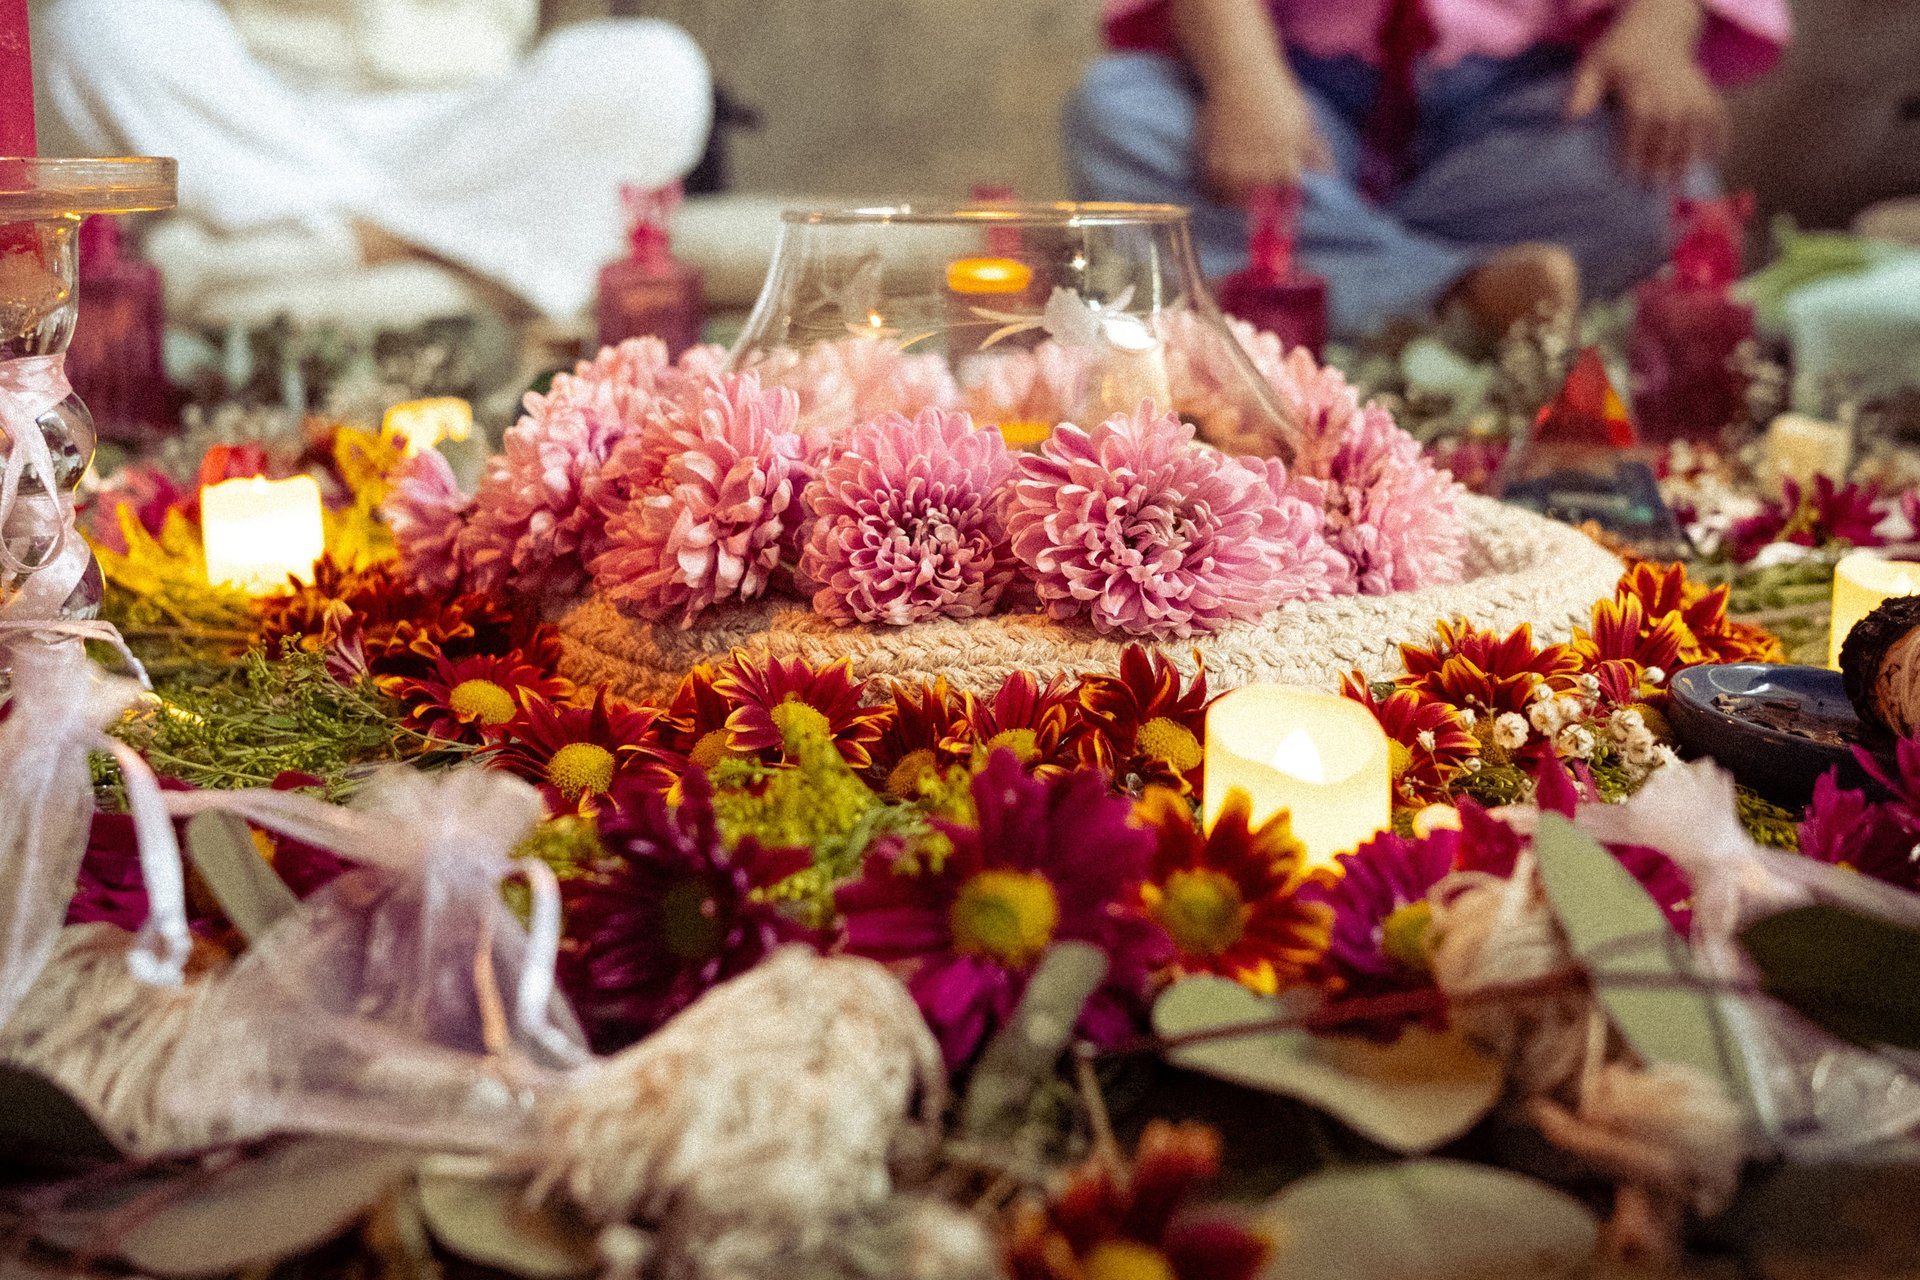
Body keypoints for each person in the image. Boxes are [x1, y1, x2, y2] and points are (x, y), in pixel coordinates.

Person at [1065, 0, 1790, 339]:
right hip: (1298, 98)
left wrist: (1660, 28)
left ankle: (1349, 276)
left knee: (1655, 173)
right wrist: (1240, 74)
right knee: (1119, 111)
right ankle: (1463, 292)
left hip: (1520, 103)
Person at [36, 0, 712, 328]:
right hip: (260, 108)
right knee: (93, 22)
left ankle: (324, 237)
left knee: (658, 69)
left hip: (467, 124)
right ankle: (457, 246)